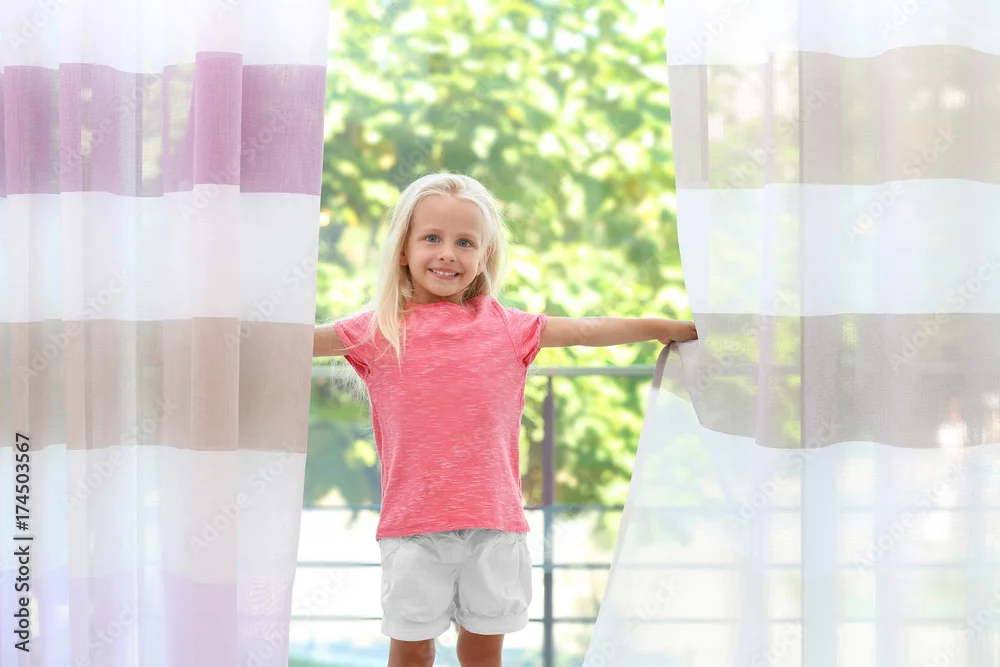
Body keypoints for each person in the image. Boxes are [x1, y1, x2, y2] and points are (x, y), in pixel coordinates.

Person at [313, 173, 697, 667]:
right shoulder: (379, 330)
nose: (448, 253)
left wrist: (661, 327)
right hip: (414, 528)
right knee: (411, 652)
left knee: (482, 652)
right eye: (432, 238)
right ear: (403, 250)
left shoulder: (507, 327)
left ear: (484, 257)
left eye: (464, 242)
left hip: (493, 526)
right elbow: (297, 340)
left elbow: (585, 331)